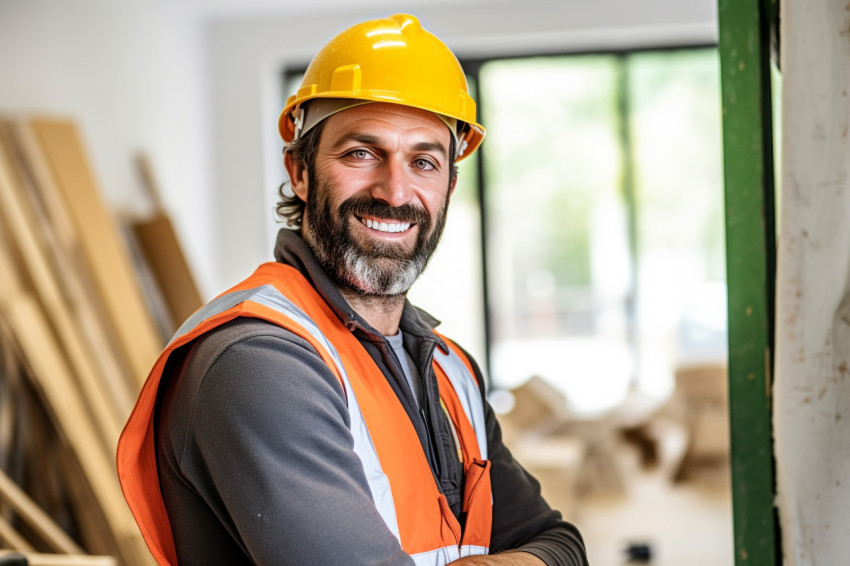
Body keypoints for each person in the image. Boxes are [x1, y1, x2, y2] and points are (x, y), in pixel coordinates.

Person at [117, 13, 588, 566]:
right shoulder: (260, 362)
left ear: (449, 187)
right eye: (361, 153)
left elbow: (562, 546)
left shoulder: (447, 370)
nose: (394, 191)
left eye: (424, 161)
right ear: (300, 171)